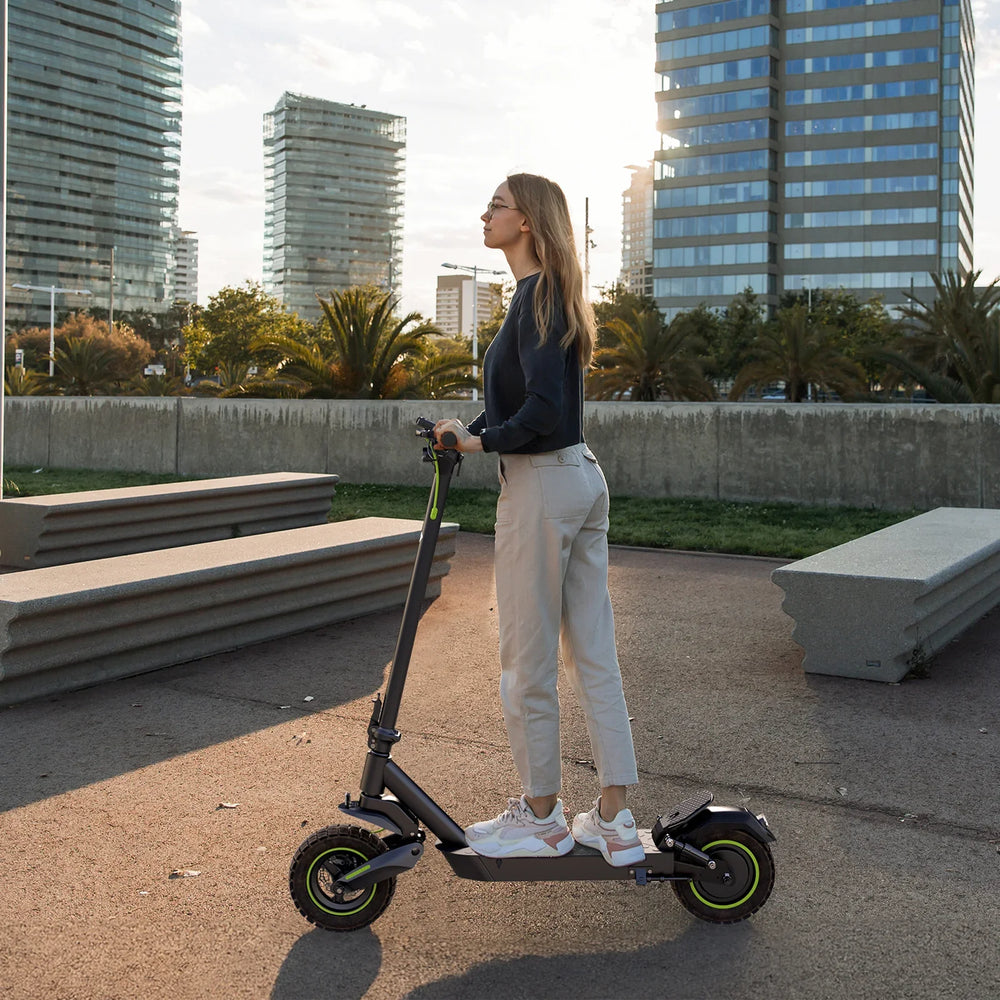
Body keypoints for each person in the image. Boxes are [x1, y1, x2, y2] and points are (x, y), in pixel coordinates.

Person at [433, 173, 642, 868]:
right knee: (593, 653)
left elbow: (541, 412)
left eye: (496, 205)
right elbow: (529, 401)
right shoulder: (545, 294)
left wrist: (479, 444)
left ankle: (543, 817)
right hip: (578, 476)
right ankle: (613, 818)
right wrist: (470, 429)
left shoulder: (537, 296)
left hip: (542, 486)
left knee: (526, 659)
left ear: (526, 221)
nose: (484, 215)